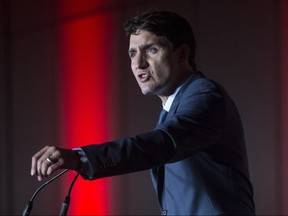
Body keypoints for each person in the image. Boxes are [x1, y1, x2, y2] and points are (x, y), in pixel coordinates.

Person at [30, 11, 255, 215]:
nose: (138, 63)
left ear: (182, 54)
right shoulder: (170, 110)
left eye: (151, 50)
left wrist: (81, 157)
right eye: (132, 53)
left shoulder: (205, 96)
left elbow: (164, 142)